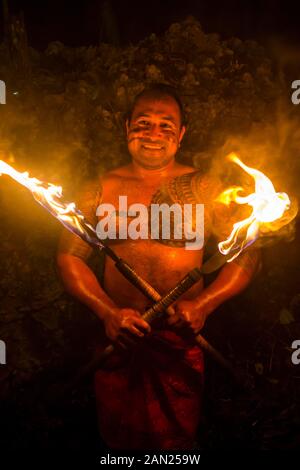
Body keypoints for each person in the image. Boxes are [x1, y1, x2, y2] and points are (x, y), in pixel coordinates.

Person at [56, 84, 259, 450]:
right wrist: (106, 312)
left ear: (181, 134)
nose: (153, 134)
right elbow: (69, 255)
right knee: (116, 443)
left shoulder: (205, 188)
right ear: (126, 127)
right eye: (143, 123)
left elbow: (247, 254)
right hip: (119, 338)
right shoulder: (98, 188)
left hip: (179, 342)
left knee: (176, 444)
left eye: (166, 125)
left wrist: (203, 305)